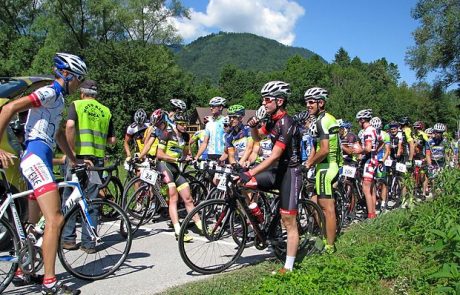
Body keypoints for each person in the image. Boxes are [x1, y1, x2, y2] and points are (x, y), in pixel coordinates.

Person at [0, 52, 87, 294]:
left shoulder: (58, 101)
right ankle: (50, 283)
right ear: (67, 75)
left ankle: (22, 270)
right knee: (55, 218)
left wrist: (73, 159)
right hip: (36, 157)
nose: (80, 84)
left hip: (43, 158)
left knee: (34, 225)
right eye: (79, 78)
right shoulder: (50, 91)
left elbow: (58, 133)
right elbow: (10, 108)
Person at [243, 81, 301, 273]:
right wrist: (253, 126)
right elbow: (258, 137)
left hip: (290, 172)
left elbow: (275, 155)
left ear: (280, 101)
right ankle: (260, 216)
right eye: (263, 99)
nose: (263, 103)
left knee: (288, 220)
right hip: (277, 170)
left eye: (267, 99)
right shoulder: (271, 119)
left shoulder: (287, 123)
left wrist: (251, 171)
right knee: (244, 184)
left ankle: (289, 267)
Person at [62, 79, 116, 253]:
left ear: (82, 93)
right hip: (97, 162)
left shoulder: (76, 105)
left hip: (77, 158)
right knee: (92, 200)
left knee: (70, 197)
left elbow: (69, 126)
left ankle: (68, 239)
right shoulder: (105, 111)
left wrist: (70, 153)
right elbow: (112, 140)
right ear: (95, 94)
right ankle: (89, 243)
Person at [146, 110, 202, 242]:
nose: (184, 126)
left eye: (186, 124)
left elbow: (185, 153)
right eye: (181, 124)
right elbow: (159, 154)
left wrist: (188, 158)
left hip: (177, 169)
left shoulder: (186, 137)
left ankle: (201, 227)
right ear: (176, 123)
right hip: (165, 166)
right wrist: (175, 159)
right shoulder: (167, 134)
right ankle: (178, 230)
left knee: (188, 198)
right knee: (173, 197)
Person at [303, 87, 340, 254]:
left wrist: (308, 164)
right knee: (314, 203)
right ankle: (325, 236)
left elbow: (324, 149)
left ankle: (330, 246)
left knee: (327, 208)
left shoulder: (323, 121)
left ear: (321, 102)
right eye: (306, 102)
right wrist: (309, 162)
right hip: (322, 166)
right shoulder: (323, 118)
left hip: (327, 167)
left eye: (311, 102)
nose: (308, 105)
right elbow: (316, 146)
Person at [354, 109, 379, 219]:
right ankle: (373, 213)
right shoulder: (374, 130)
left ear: (363, 120)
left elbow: (368, 148)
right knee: (372, 188)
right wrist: (376, 151)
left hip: (369, 161)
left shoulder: (367, 131)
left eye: (359, 121)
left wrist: (359, 151)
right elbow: (381, 141)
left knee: (366, 188)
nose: (358, 123)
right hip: (373, 159)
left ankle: (370, 216)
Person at [194, 97, 226, 161]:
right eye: (210, 106)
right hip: (210, 154)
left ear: (221, 107)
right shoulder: (209, 123)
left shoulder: (226, 121)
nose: (211, 108)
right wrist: (197, 156)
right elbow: (205, 142)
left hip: (223, 154)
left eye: (213, 106)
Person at [370, 117, 391, 211]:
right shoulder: (368, 132)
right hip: (371, 159)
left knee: (382, 180)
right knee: (371, 182)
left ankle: (382, 203)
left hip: (381, 158)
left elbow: (387, 150)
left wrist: (382, 160)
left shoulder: (385, 135)